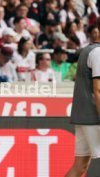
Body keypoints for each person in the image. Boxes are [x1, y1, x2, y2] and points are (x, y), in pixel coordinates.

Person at [65, 17, 100, 177]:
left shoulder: (89, 50)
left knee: (80, 167)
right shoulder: (98, 53)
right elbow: (98, 90)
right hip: (94, 116)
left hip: (83, 117)